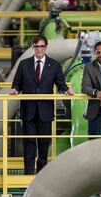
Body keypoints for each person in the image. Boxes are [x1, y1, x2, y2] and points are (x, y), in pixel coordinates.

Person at [10, 35, 74, 175]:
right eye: (36, 46)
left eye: (42, 46)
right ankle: (28, 174)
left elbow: (60, 83)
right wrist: (15, 89)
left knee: (44, 144)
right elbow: (17, 83)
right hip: (28, 110)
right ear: (33, 47)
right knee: (29, 144)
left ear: (46, 47)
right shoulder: (24, 64)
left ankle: (41, 174)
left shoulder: (54, 65)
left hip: (45, 111)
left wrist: (66, 90)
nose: (39, 49)